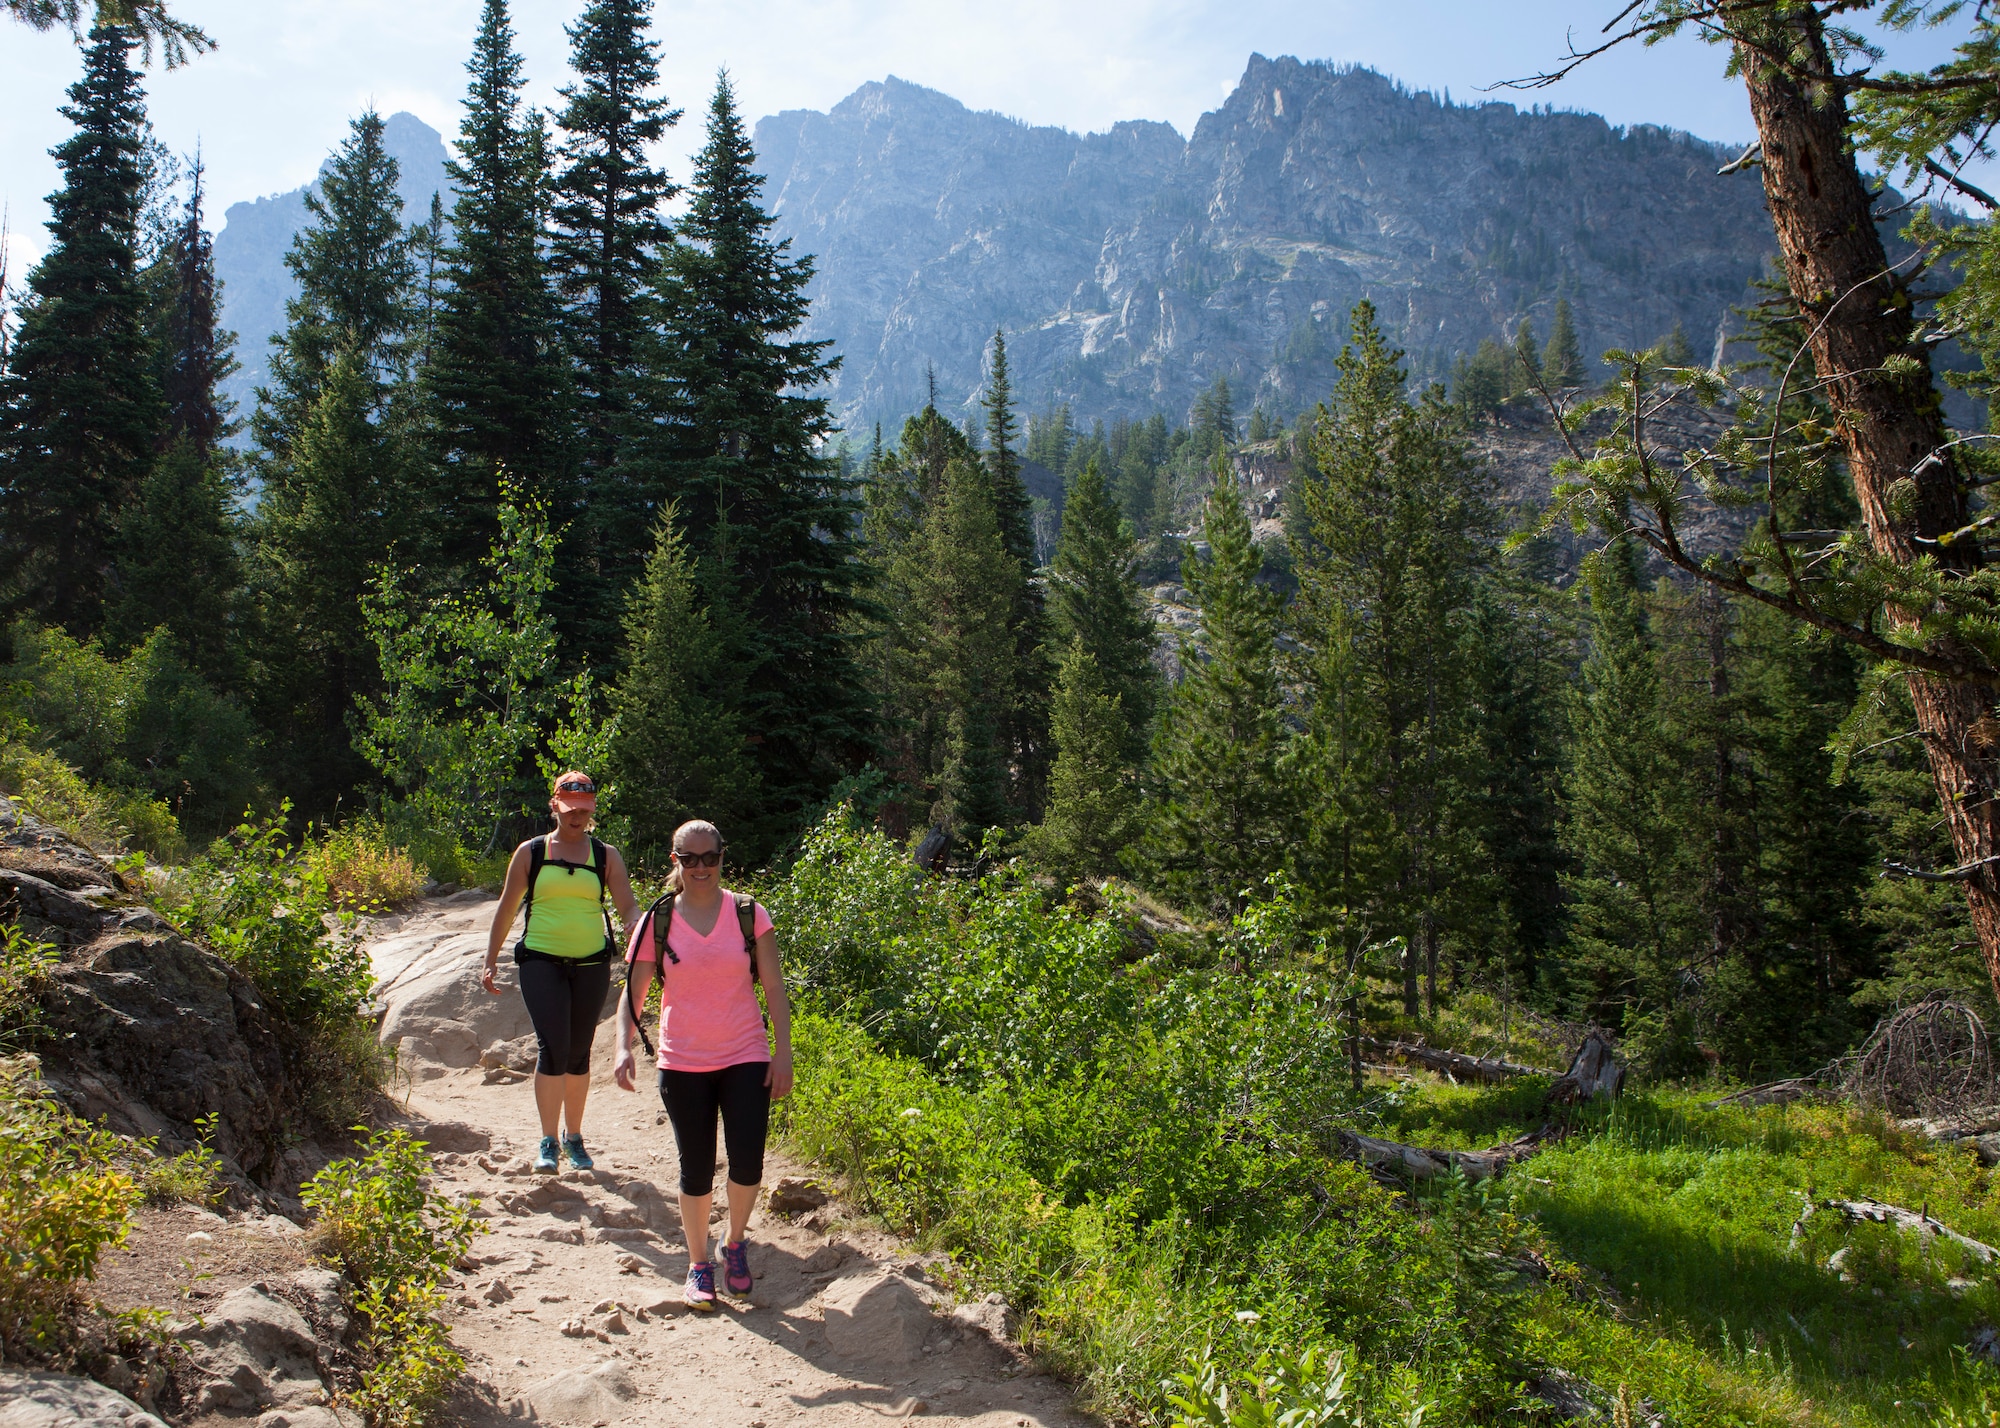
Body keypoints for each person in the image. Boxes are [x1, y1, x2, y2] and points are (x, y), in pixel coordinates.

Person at [614, 819, 794, 1310]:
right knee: (695, 1169)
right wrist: (623, 1046)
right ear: (675, 861)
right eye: (689, 859)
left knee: (748, 1162)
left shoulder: (748, 914)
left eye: (708, 858)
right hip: (682, 1060)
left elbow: (774, 988)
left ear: (721, 857)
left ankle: (734, 1242)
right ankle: (698, 1264)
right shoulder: (658, 921)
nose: (700, 868)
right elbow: (635, 991)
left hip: (745, 1054)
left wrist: (784, 1051)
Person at [483, 771, 639, 1174]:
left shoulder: (606, 855)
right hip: (540, 961)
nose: (577, 817)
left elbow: (627, 908)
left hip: (591, 964)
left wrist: (638, 933)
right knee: (552, 1048)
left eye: (584, 811)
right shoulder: (531, 852)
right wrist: (490, 958)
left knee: (579, 1052)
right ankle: (548, 1141)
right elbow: (506, 908)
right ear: (555, 806)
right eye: (570, 809)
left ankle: (574, 1137)